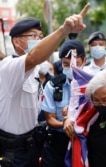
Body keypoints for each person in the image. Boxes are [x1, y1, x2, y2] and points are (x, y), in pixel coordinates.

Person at [0, 3, 90, 167]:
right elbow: (34, 57)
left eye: (41, 37)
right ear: (17, 42)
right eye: (34, 36)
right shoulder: (8, 66)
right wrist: (64, 29)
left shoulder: (33, 70)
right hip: (14, 151)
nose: (39, 41)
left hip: (32, 144)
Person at [40, 39, 86, 167]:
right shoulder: (52, 86)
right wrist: (64, 123)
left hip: (86, 141)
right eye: (66, 64)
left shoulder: (94, 85)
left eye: (75, 63)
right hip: (59, 142)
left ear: (84, 61)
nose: (71, 68)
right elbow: (50, 119)